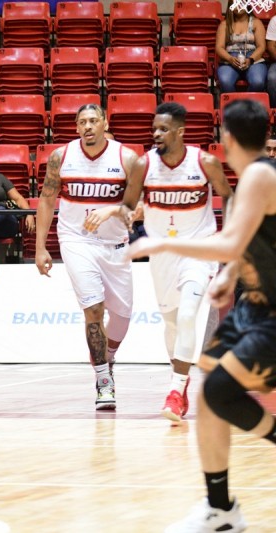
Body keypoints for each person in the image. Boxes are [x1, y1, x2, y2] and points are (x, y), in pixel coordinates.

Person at [129, 99, 276, 533]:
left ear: (226, 138)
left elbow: (229, 241)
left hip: (271, 311)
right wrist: (230, 273)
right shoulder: (256, 177)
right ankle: (221, 509)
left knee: (220, 392)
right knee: (210, 390)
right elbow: (248, 240)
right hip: (253, 303)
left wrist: (162, 243)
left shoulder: (260, 176)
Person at [85, 102, 233, 424]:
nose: (156, 134)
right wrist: (122, 213)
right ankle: (180, 376)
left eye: (163, 129)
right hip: (162, 252)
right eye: (154, 128)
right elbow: (128, 205)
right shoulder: (144, 164)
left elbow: (229, 197)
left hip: (199, 248)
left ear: (180, 132)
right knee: (172, 322)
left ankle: (176, 390)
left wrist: (232, 238)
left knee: (189, 315)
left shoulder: (204, 162)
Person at [35, 104, 139, 411]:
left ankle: (108, 356)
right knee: (93, 310)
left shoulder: (127, 158)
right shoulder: (61, 157)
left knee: (122, 317)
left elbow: (142, 207)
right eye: (82, 122)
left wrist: (112, 210)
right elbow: (47, 200)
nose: (88, 126)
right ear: (77, 126)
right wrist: (41, 247)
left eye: (94, 120)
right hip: (76, 240)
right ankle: (103, 380)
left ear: (105, 123)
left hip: (115, 244)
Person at [215, 3, 267, 94]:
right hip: (230, 59)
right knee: (225, 81)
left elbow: (261, 46)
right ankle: (235, 102)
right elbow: (219, 47)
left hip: (253, 58)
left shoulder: (256, 23)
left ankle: (247, 102)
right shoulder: (225, 24)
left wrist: (250, 60)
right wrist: (230, 59)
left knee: (258, 82)